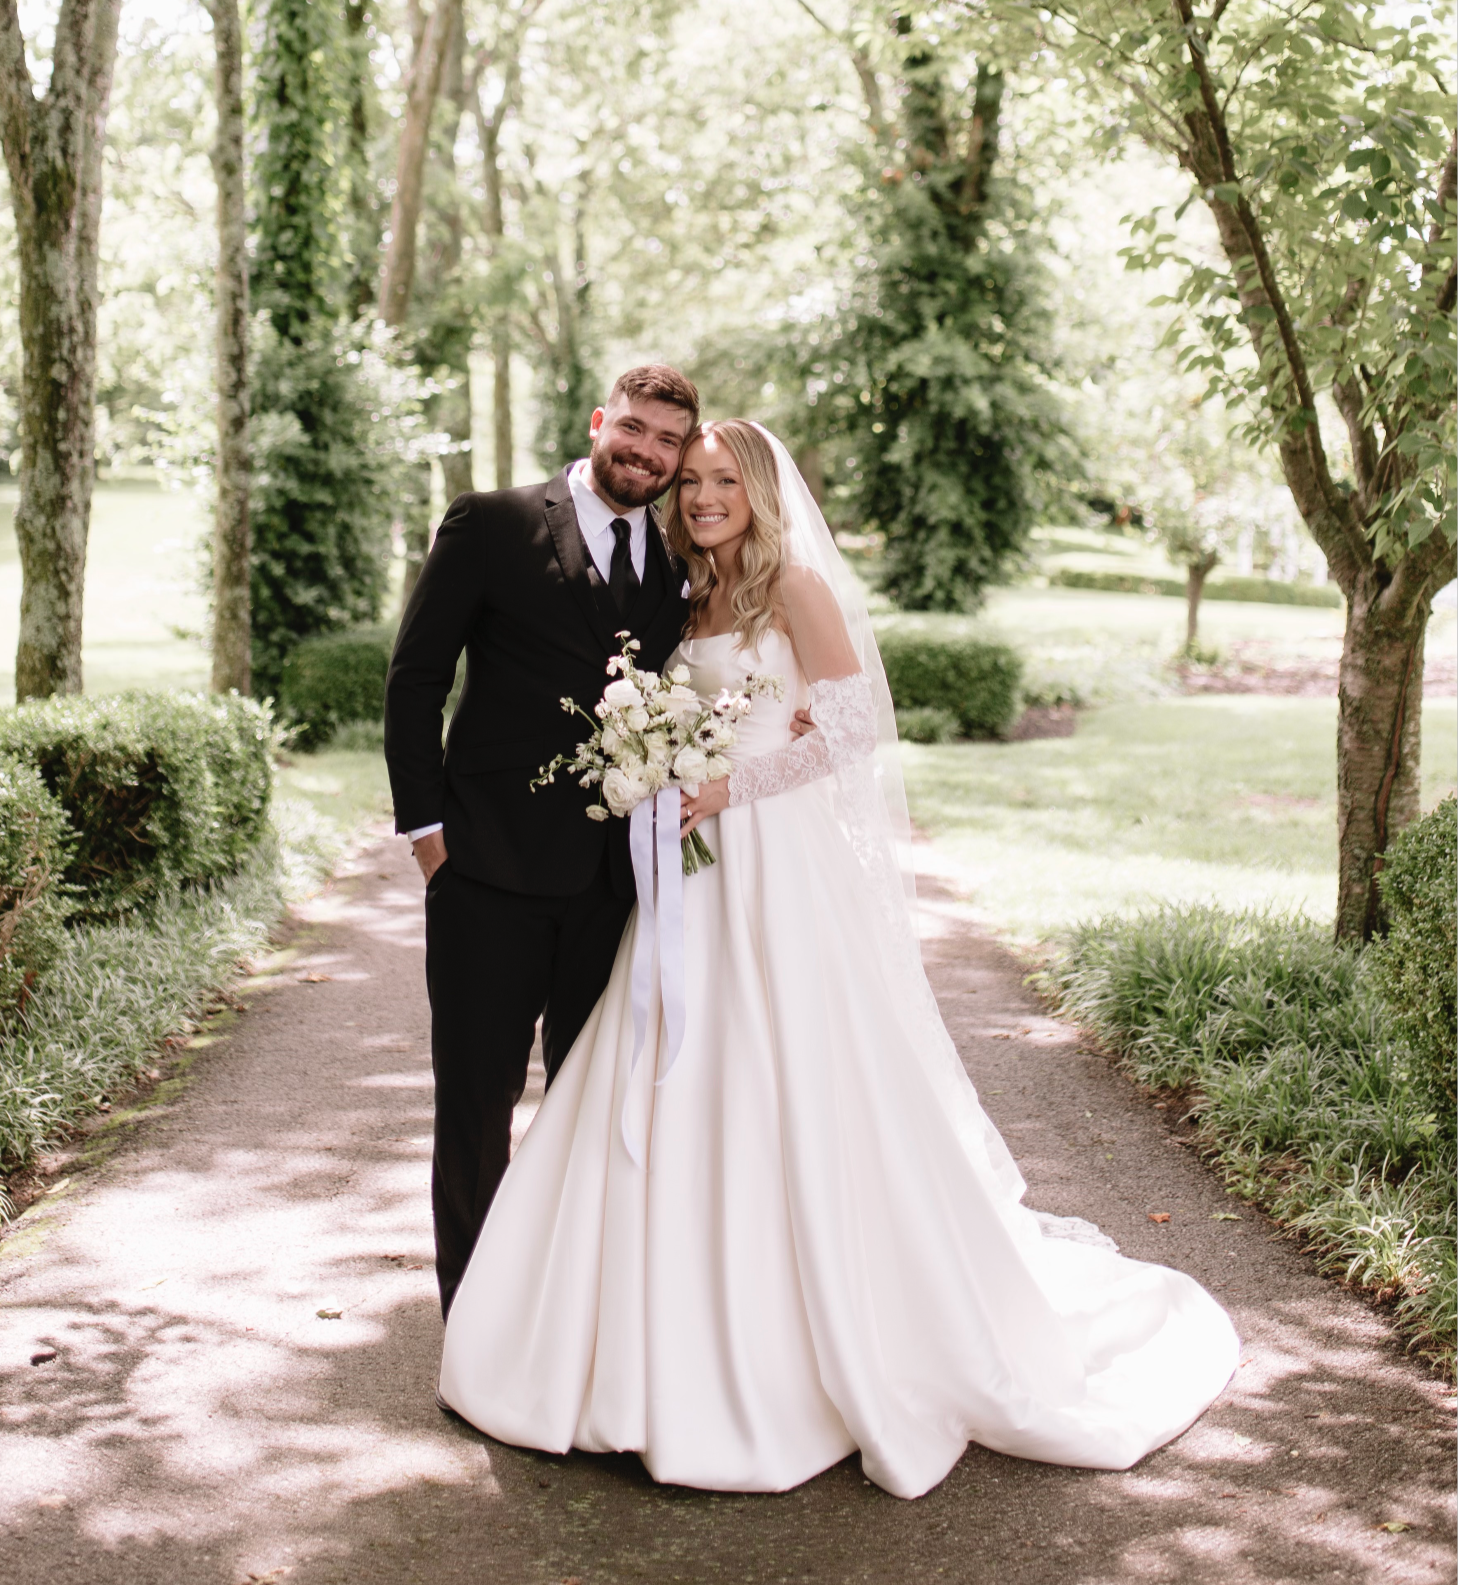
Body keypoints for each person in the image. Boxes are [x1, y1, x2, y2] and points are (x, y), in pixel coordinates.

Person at [437, 419, 1240, 1500]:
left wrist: (728, 788)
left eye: (728, 480)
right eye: (695, 481)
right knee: (670, 1068)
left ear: (763, 492)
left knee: (786, 1073)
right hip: (692, 879)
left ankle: (800, 1346)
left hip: (777, 866)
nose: (707, 495)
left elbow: (853, 731)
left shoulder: (794, 591)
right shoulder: (682, 594)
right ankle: (634, 1340)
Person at [384, 363, 699, 1316]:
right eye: (633, 429)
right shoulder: (492, 522)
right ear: (601, 420)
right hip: (485, 871)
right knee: (476, 1105)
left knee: (589, 1101)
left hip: (616, 887)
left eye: (666, 442)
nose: (644, 452)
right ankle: (471, 1314)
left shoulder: (681, 561)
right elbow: (415, 678)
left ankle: (562, 1310)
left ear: (681, 456)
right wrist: (429, 835)